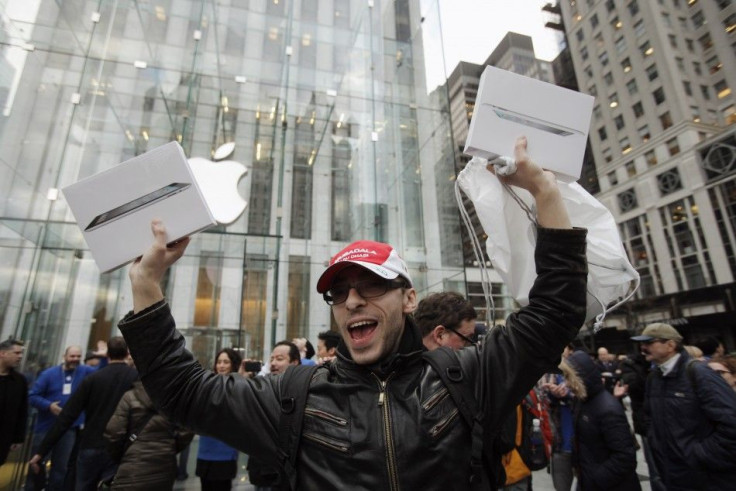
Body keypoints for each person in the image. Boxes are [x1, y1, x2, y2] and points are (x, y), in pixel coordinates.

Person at [118, 135, 588, 488]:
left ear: (409, 299)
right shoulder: (293, 397)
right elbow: (182, 392)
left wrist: (544, 193)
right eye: (339, 293)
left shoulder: (467, 376)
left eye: (372, 286)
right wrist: (145, 284)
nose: (353, 300)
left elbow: (554, 313)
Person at [632, 323, 736, 490]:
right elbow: (650, 417)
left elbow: (731, 424)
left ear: (670, 345)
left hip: (706, 478)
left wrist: (698, 454)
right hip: (674, 475)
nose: (643, 348)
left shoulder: (699, 373)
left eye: (649, 343)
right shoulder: (654, 378)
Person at [29, 337, 138, 491]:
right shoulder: (136, 379)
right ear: (127, 353)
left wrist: (42, 452)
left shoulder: (92, 379)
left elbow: (66, 417)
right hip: (122, 445)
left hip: (91, 444)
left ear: (107, 355)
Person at [565, 351, 641, 490]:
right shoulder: (582, 401)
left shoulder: (608, 409)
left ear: (581, 377)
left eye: (569, 378)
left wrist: (595, 480)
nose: (567, 384)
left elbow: (625, 457)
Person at [27, 345, 98, 490]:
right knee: (37, 464)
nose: (75, 359)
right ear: (64, 356)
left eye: (78, 356)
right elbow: (32, 396)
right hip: (46, 427)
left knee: (61, 468)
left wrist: (102, 355)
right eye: (72, 356)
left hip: (69, 429)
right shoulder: (49, 374)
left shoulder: (84, 371)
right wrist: (49, 406)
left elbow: (104, 371)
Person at [104, 377, 194, 490]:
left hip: (132, 466)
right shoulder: (174, 399)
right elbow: (186, 430)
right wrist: (170, 447)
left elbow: (113, 432)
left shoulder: (129, 397)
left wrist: (122, 455)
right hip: (164, 466)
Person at [247, 341, 301, 490]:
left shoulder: (304, 395)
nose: (273, 363)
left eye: (279, 359)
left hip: (289, 477)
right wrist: (242, 379)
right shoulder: (260, 389)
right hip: (262, 473)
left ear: (294, 363)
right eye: (271, 359)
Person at [196, 348, 242, 491]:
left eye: (226, 362)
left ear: (233, 365)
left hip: (225, 452)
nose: (221, 365)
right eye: (219, 362)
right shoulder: (207, 383)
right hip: (205, 449)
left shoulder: (239, 386)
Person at [0, 339, 28, 466]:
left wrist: (18, 437)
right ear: (3, 353)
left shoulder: (19, 381)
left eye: (21, 353)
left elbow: (22, 411)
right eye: (16, 353)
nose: (20, 356)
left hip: (3, 438)